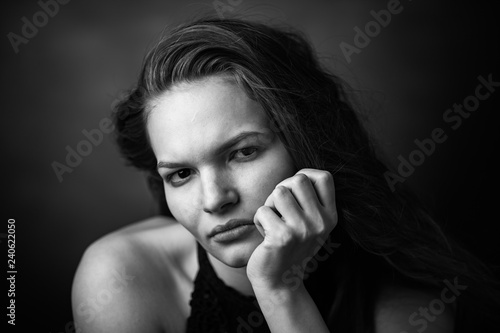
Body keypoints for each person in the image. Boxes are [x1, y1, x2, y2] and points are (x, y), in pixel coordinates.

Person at [71, 17, 500, 332]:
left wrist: (279, 291)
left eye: (242, 152)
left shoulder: (409, 307)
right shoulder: (122, 276)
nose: (214, 199)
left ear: (305, 143)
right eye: (181, 174)